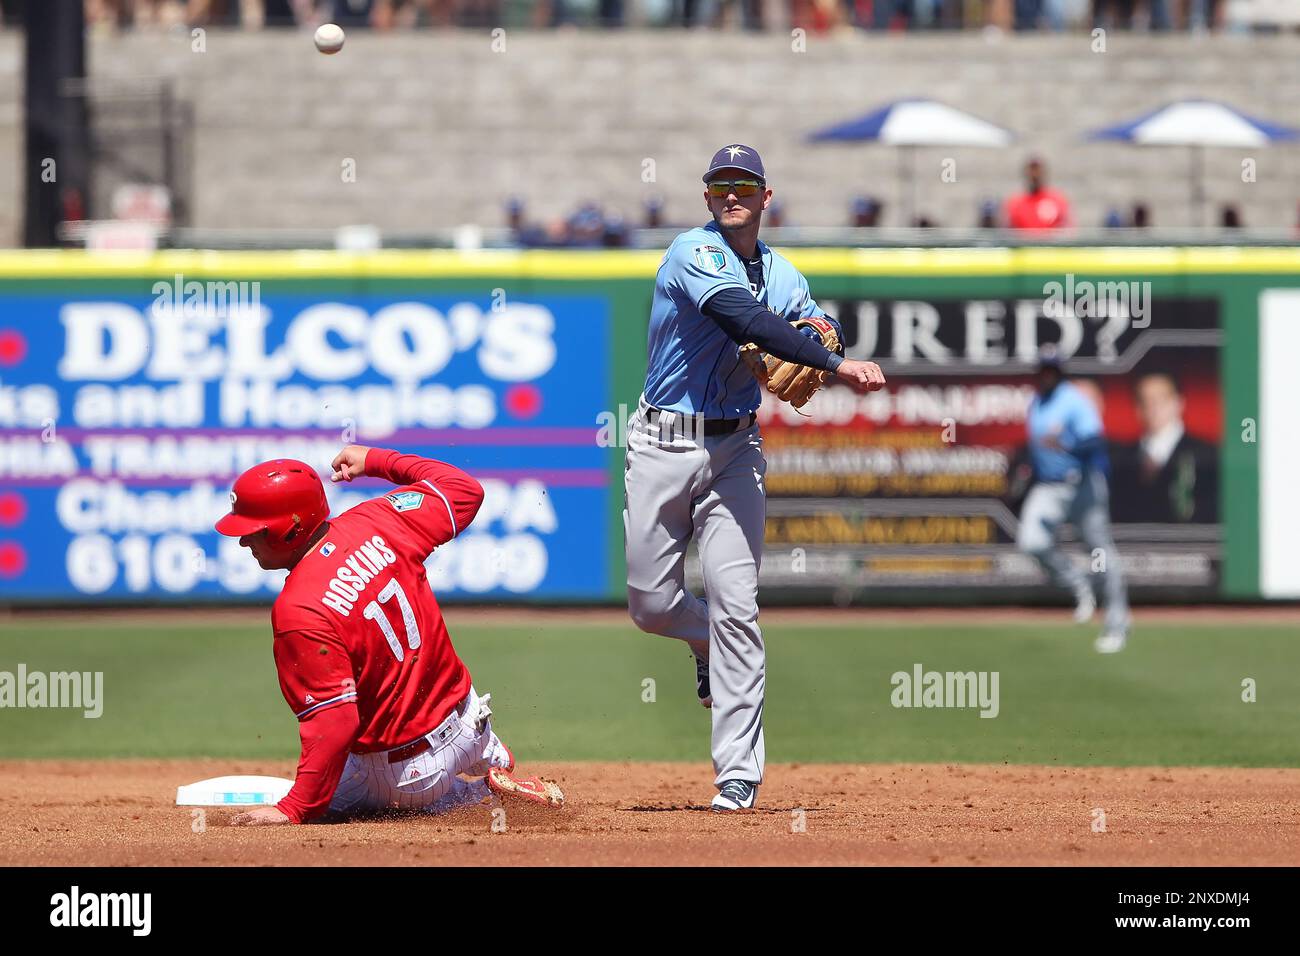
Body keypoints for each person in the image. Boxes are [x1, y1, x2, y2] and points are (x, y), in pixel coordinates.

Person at [624, 144, 886, 811]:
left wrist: (827, 335)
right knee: (651, 608)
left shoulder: (782, 271)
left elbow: (819, 320)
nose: (731, 194)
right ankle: (704, 639)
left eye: (744, 184)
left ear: (766, 197)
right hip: (664, 440)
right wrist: (835, 367)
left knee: (739, 606)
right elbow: (742, 318)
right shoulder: (693, 252)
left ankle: (736, 775)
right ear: (706, 196)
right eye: (719, 185)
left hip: (736, 449)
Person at [213, 446, 563, 825]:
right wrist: (376, 459)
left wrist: (295, 809)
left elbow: (334, 722)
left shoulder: (299, 609)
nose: (243, 541)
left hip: (408, 775)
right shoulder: (377, 518)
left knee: (326, 803)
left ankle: (479, 795)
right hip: (472, 718)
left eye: (254, 531)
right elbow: (465, 491)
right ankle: (488, 755)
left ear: (290, 528)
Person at [1016, 347, 1131, 654]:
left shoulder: (1073, 400)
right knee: (1031, 543)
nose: (1046, 375)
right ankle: (1079, 584)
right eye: (1042, 370)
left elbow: (1095, 440)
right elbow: (1037, 449)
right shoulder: (1037, 402)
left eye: (1052, 370)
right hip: (1049, 487)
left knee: (1101, 553)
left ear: (1060, 373)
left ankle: (1117, 626)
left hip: (1082, 485)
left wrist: (1066, 443)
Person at [1111, 371, 1217, 523]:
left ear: (1179, 402)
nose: (1152, 408)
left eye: (1160, 399)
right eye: (1144, 400)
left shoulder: (1207, 455)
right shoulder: (1121, 459)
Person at [1004, 157, 1071, 231]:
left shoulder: (1057, 200)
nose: (1034, 175)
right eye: (1031, 170)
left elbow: (1065, 228)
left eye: (1037, 170)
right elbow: (1010, 231)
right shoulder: (1015, 203)